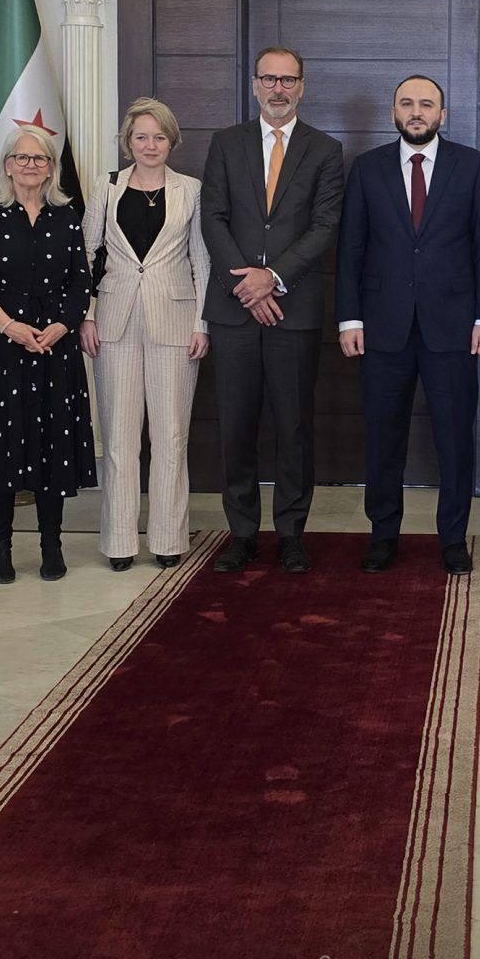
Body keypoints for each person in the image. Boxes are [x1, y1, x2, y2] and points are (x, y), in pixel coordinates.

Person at [339, 74, 480, 577]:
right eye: (406, 104)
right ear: (394, 113)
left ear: (442, 114)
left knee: (455, 438)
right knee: (383, 437)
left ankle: (452, 539)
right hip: (381, 327)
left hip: (453, 327)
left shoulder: (472, 166)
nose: (416, 112)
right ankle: (383, 535)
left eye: (426, 104)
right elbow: (350, 250)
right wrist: (349, 318)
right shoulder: (366, 169)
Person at [198, 46, 346, 574]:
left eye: (288, 80)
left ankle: (290, 534)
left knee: (293, 426)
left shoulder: (325, 149)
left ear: (302, 86)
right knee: (236, 426)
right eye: (269, 79)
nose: (278, 89)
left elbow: (325, 226)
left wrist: (273, 278)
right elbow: (212, 217)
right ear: (255, 85)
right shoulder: (225, 143)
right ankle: (241, 534)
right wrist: (247, 285)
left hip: (293, 310)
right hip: (234, 309)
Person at [0, 123, 97, 582]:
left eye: (40, 158)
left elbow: (81, 281)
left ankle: (51, 544)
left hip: (55, 348)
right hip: (2, 345)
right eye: (22, 157)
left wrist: (62, 326)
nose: (30, 165)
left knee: (53, 446)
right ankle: (0, 546)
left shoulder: (66, 215)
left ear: (52, 168)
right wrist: (10, 326)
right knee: (1, 447)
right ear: (7, 165)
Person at [83, 99, 211, 570]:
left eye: (159, 137)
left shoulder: (191, 190)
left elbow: (202, 261)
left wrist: (201, 324)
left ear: (172, 141)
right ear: (127, 141)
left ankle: (168, 537)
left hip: (175, 322)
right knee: (119, 438)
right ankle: (119, 541)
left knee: (170, 436)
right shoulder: (106, 186)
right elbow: (86, 254)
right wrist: (87, 315)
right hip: (113, 320)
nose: (150, 145)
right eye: (141, 137)